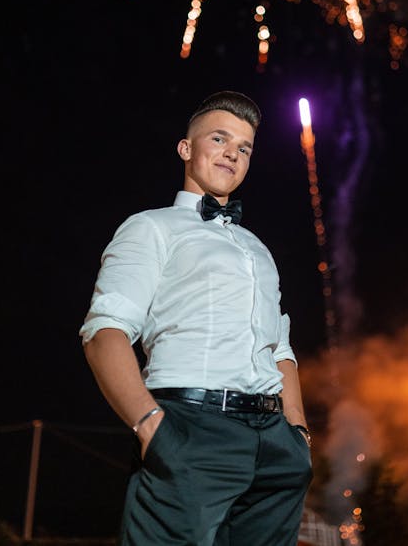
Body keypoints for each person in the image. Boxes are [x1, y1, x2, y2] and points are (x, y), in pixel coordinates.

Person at [80, 90, 313, 546]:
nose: (232, 153)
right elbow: (104, 331)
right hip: (190, 428)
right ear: (186, 148)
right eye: (220, 139)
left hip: (275, 445)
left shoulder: (258, 249)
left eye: (244, 147)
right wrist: (151, 425)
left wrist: (298, 435)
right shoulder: (150, 227)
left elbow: (280, 350)